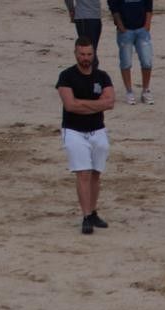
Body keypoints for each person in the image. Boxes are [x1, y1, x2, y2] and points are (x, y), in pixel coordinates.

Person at [56, 36, 115, 235]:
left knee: (96, 172)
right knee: (83, 173)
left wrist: (83, 105)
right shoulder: (66, 76)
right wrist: (95, 104)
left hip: (98, 130)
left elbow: (110, 102)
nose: (86, 58)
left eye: (89, 54)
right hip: (74, 131)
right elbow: (70, 105)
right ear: (75, 53)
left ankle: (93, 211)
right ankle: (86, 215)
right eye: (82, 54)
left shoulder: (102, 76)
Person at [106, 0, 152, 105]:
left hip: (142, 29)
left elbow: (149, 6)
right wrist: (120, 25)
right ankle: (129, 91)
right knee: (126, 61)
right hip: (125, 29)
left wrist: (147, 25)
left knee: (147, 61)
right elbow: (114, 7)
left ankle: (145, 90)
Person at [64, 0, 102, 66]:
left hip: (95, 16)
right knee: (87, 50)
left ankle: (92, 72)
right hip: (84, 16)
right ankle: (89, 72)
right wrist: (72, 11)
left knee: (91, 50)